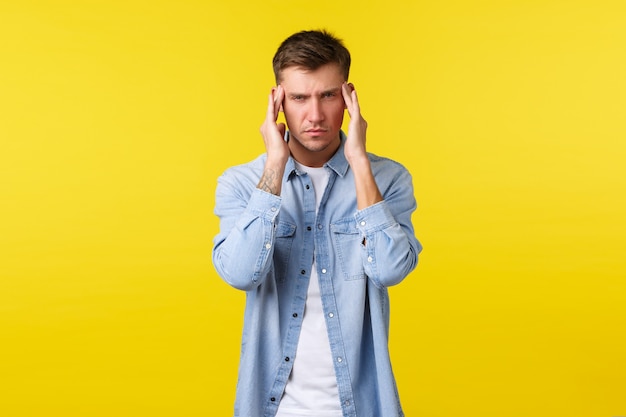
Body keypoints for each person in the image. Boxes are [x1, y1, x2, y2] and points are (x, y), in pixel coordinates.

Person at [212, 29, 422, 417]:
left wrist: (359, 163)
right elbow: (241, 274)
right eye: (298, 98)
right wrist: (275, 165)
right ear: (277, 101)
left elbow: (391, 270)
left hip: (361, 405)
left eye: (328, 96)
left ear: (348, 98)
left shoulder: (388, 179)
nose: (314, 115)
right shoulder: (241, 184)